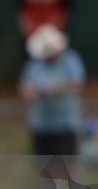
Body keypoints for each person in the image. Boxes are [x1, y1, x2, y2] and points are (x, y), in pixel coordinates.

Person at [19, 24, 85, 155]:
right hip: (41, 126)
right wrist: (37, 92)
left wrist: (54, 90)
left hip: (65, 125)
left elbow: (77, 84)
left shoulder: (70, 60)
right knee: (45, 170)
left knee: (65, 169)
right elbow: (24, 89)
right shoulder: (34, 65)